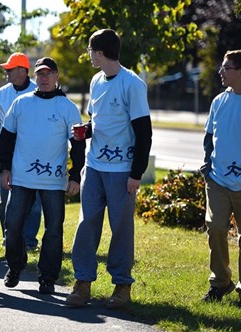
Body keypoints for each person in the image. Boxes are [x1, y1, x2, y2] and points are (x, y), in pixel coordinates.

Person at [66, 29, 152, 308]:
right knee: (86, 224)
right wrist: (84, 131)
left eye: (90, 50)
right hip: (94, 167)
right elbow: (99, 123)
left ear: (99, 52)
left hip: (122, 171)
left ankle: (121, 286)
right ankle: (82, 283)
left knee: (121, 228)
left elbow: (144, 133)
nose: (89, 55)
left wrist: (136, 174)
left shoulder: (132, 84)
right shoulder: (96, 80)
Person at [0, 57, 85, 294]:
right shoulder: (21, 103)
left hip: (53, 180)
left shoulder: (67, 107)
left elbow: (77, 144)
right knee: (13, 225)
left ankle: (47, 277)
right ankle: (15, 267)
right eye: (40, 74)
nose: (44, 78)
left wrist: (75, 175)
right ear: (34, 77)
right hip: (21, 177)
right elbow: (6, 138)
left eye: (48, 73)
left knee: (53, 229)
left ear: (57, 76)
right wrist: (4, 168)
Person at [200, 49, 241, 307]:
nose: (220, 72)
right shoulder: (219, 101)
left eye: (226, 67)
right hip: (219, 180)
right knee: (216, 228)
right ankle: (220, 282)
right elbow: (209, 137)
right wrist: (207, 168)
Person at [0, 52, 42, 252]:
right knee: (4, 200)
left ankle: (29, 240)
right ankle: (9, 237)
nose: (6, 72)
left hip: (31, 155)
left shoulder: (38, 91)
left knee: (33, 201)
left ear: (23, 71)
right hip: (7, 155)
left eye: (10, 69)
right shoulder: (2, 93)